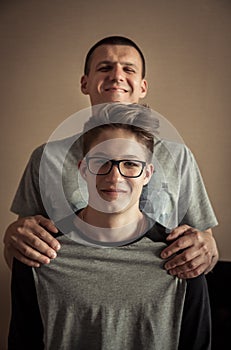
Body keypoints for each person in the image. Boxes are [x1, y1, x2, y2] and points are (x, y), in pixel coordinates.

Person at [3, 35, 218, 278]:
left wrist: (209, 250)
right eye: (105, 67)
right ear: (85, 83)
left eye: (128, 69)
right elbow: (21, 250)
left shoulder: (179, 157)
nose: (117, 76)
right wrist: (12, 239)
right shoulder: (46, 157)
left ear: (142, 86)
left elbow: (204, 244)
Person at [8, 103, 212, 349]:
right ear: (83, 169)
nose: (114, 177)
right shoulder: (41, 253)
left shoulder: (182, 260)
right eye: (102, 161)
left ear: (147, 174)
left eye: (130, 164)